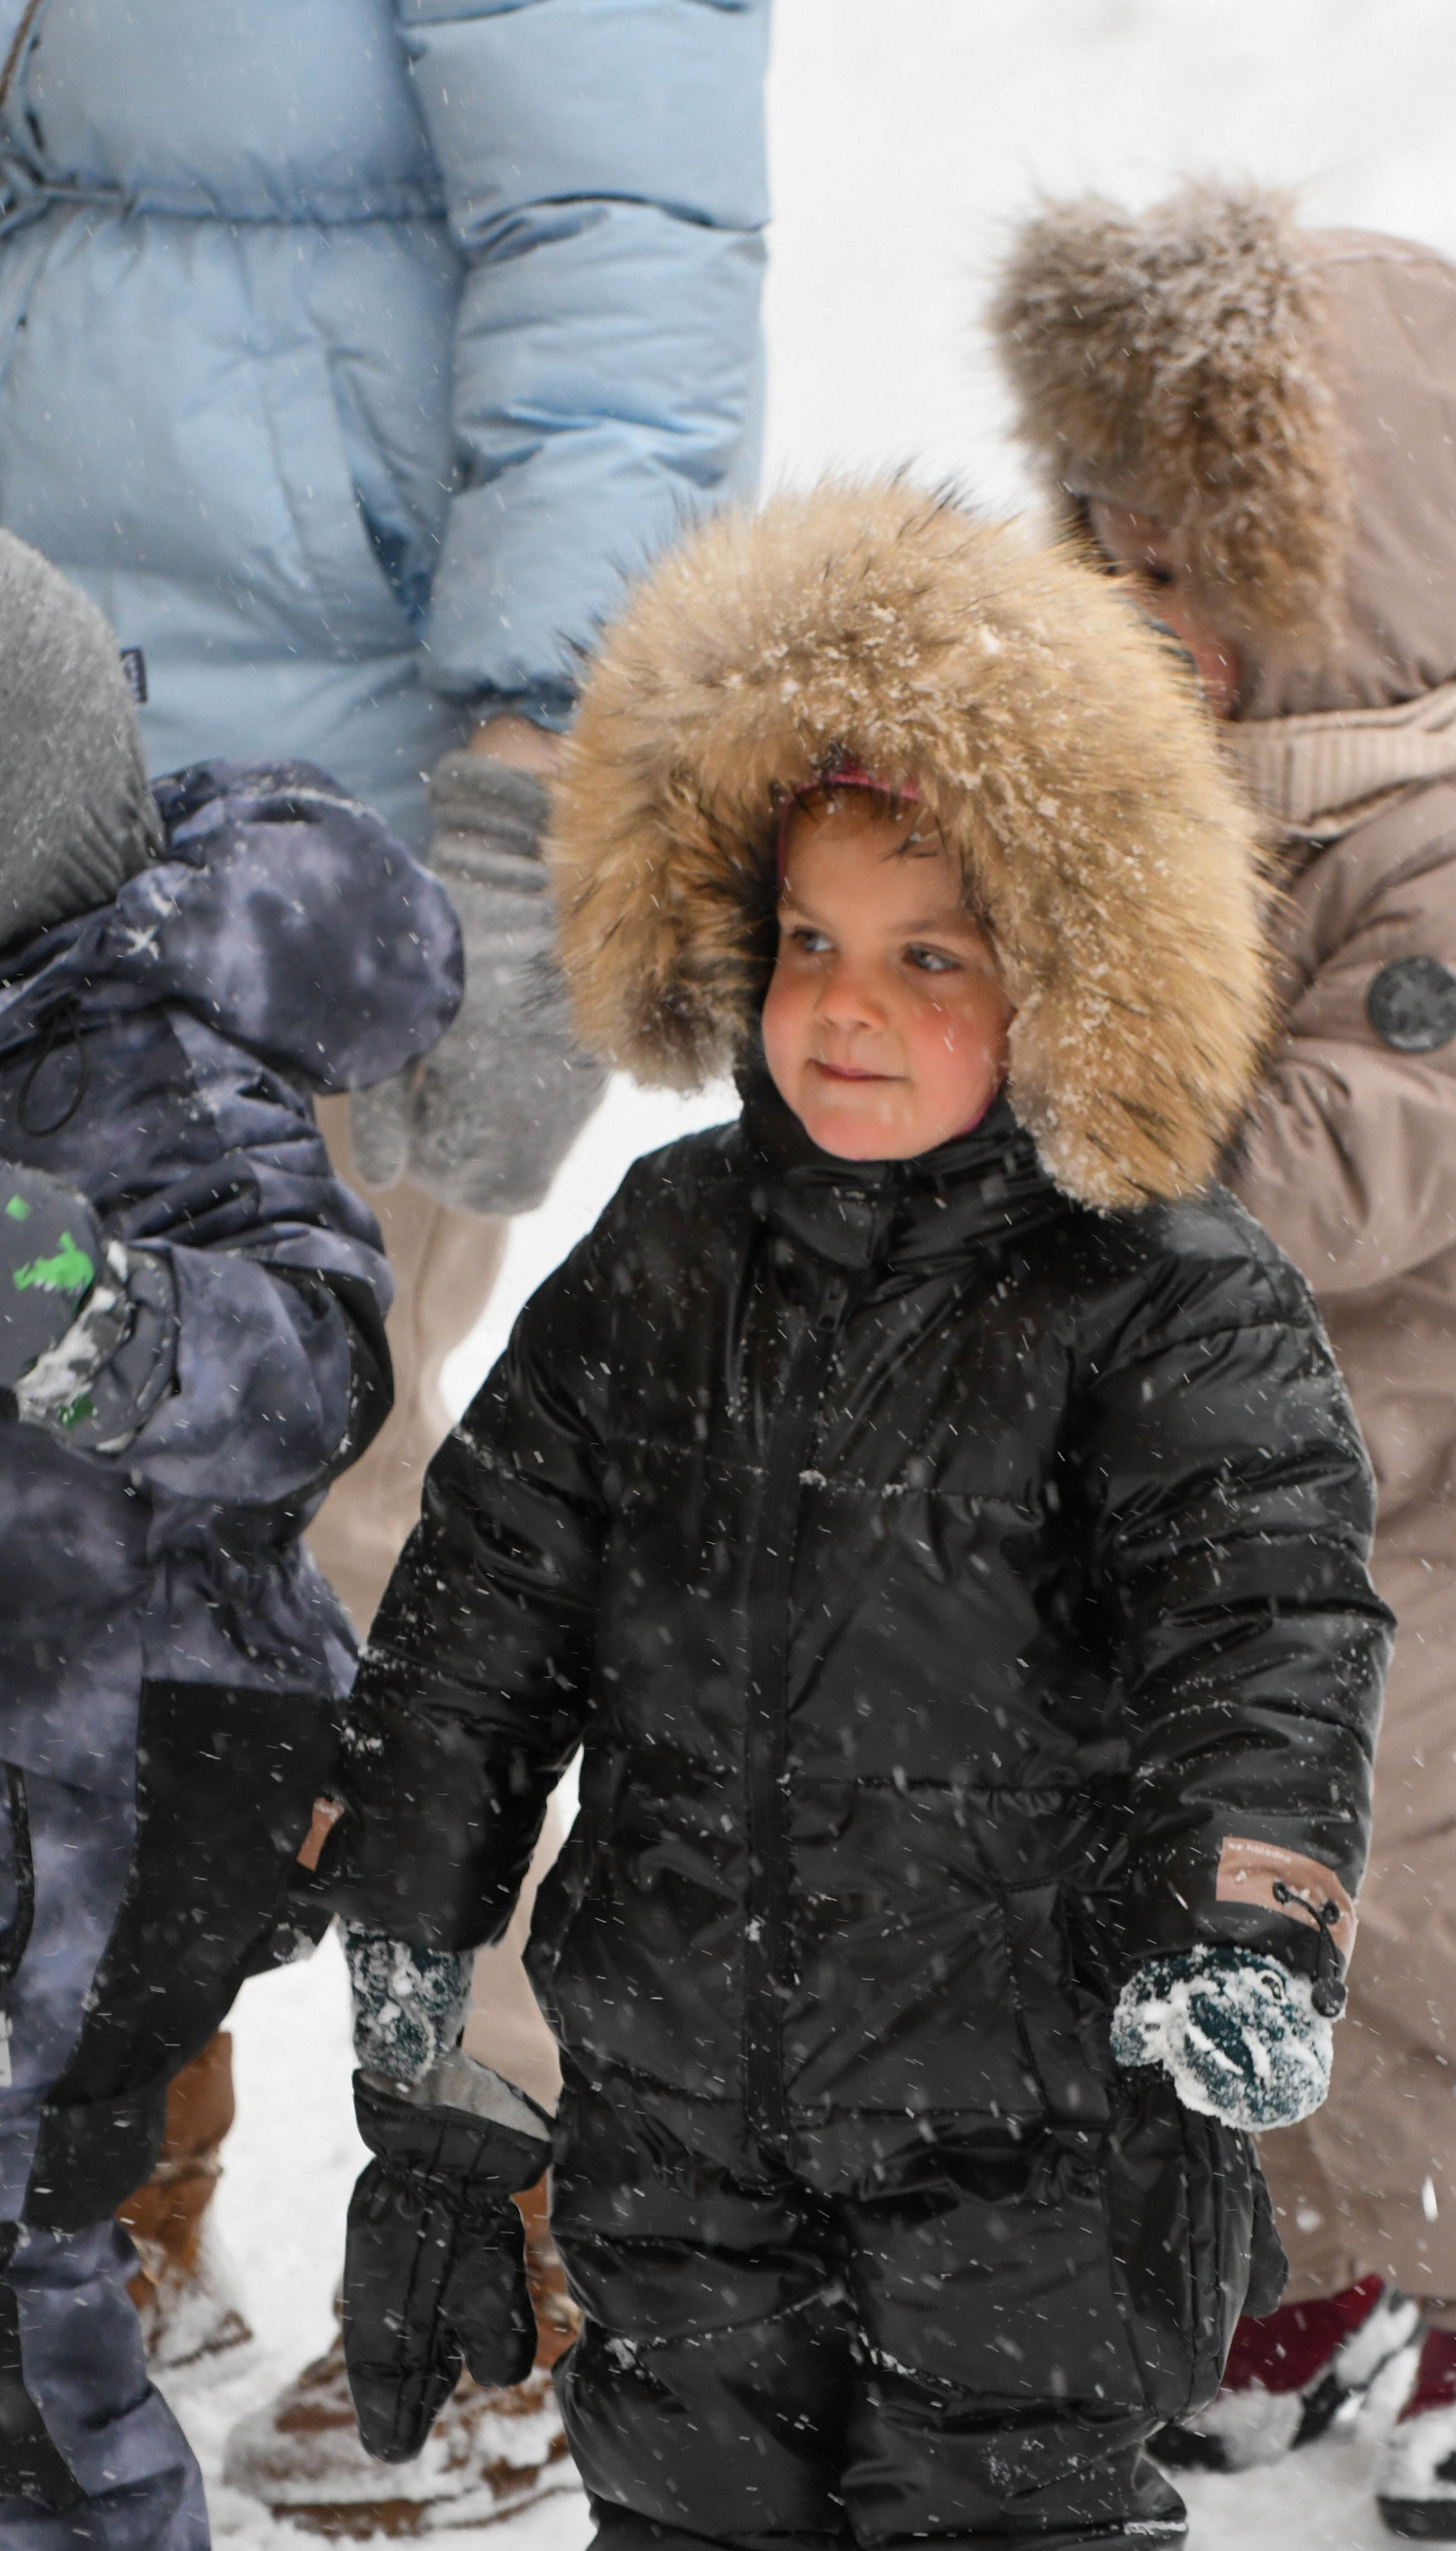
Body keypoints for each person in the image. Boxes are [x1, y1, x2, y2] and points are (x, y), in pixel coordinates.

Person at [303, 480, 1394, 2551]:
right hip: (675, 2118)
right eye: (805, 941)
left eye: (927, 956)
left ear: (1063, 973)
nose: (844, 1005)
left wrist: (1254, 1913)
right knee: (689, 2503)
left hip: (1034, 2144)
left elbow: (1263, 1626)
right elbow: (483, 1610)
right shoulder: (666, 1248)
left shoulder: (1159, 1294)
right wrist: (419, 1989)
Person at [0, 0, 770, 2501]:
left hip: (304, 842)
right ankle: (94, 2188)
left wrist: (536, 774)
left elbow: (621, 252)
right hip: (37, 771)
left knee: (358, 1556)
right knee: (54, 1573)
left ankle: (519, 2214)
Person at [990, 183, 1456, 2540]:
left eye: (1186, 577)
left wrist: (1087, 1096)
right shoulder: (1174, 847)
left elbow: (1325, 1172)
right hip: (1240, 1539)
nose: (1129, 618)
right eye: (1106, 556)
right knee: (1216, 1901)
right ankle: (1301, 2263)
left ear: (1339, 588)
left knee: (1423, 1927)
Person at [0, 537, 461, 2547]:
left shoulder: (148, 1064)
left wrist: (92, 1313)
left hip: (139, 1774)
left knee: (23, 2289)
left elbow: (313, 1366)